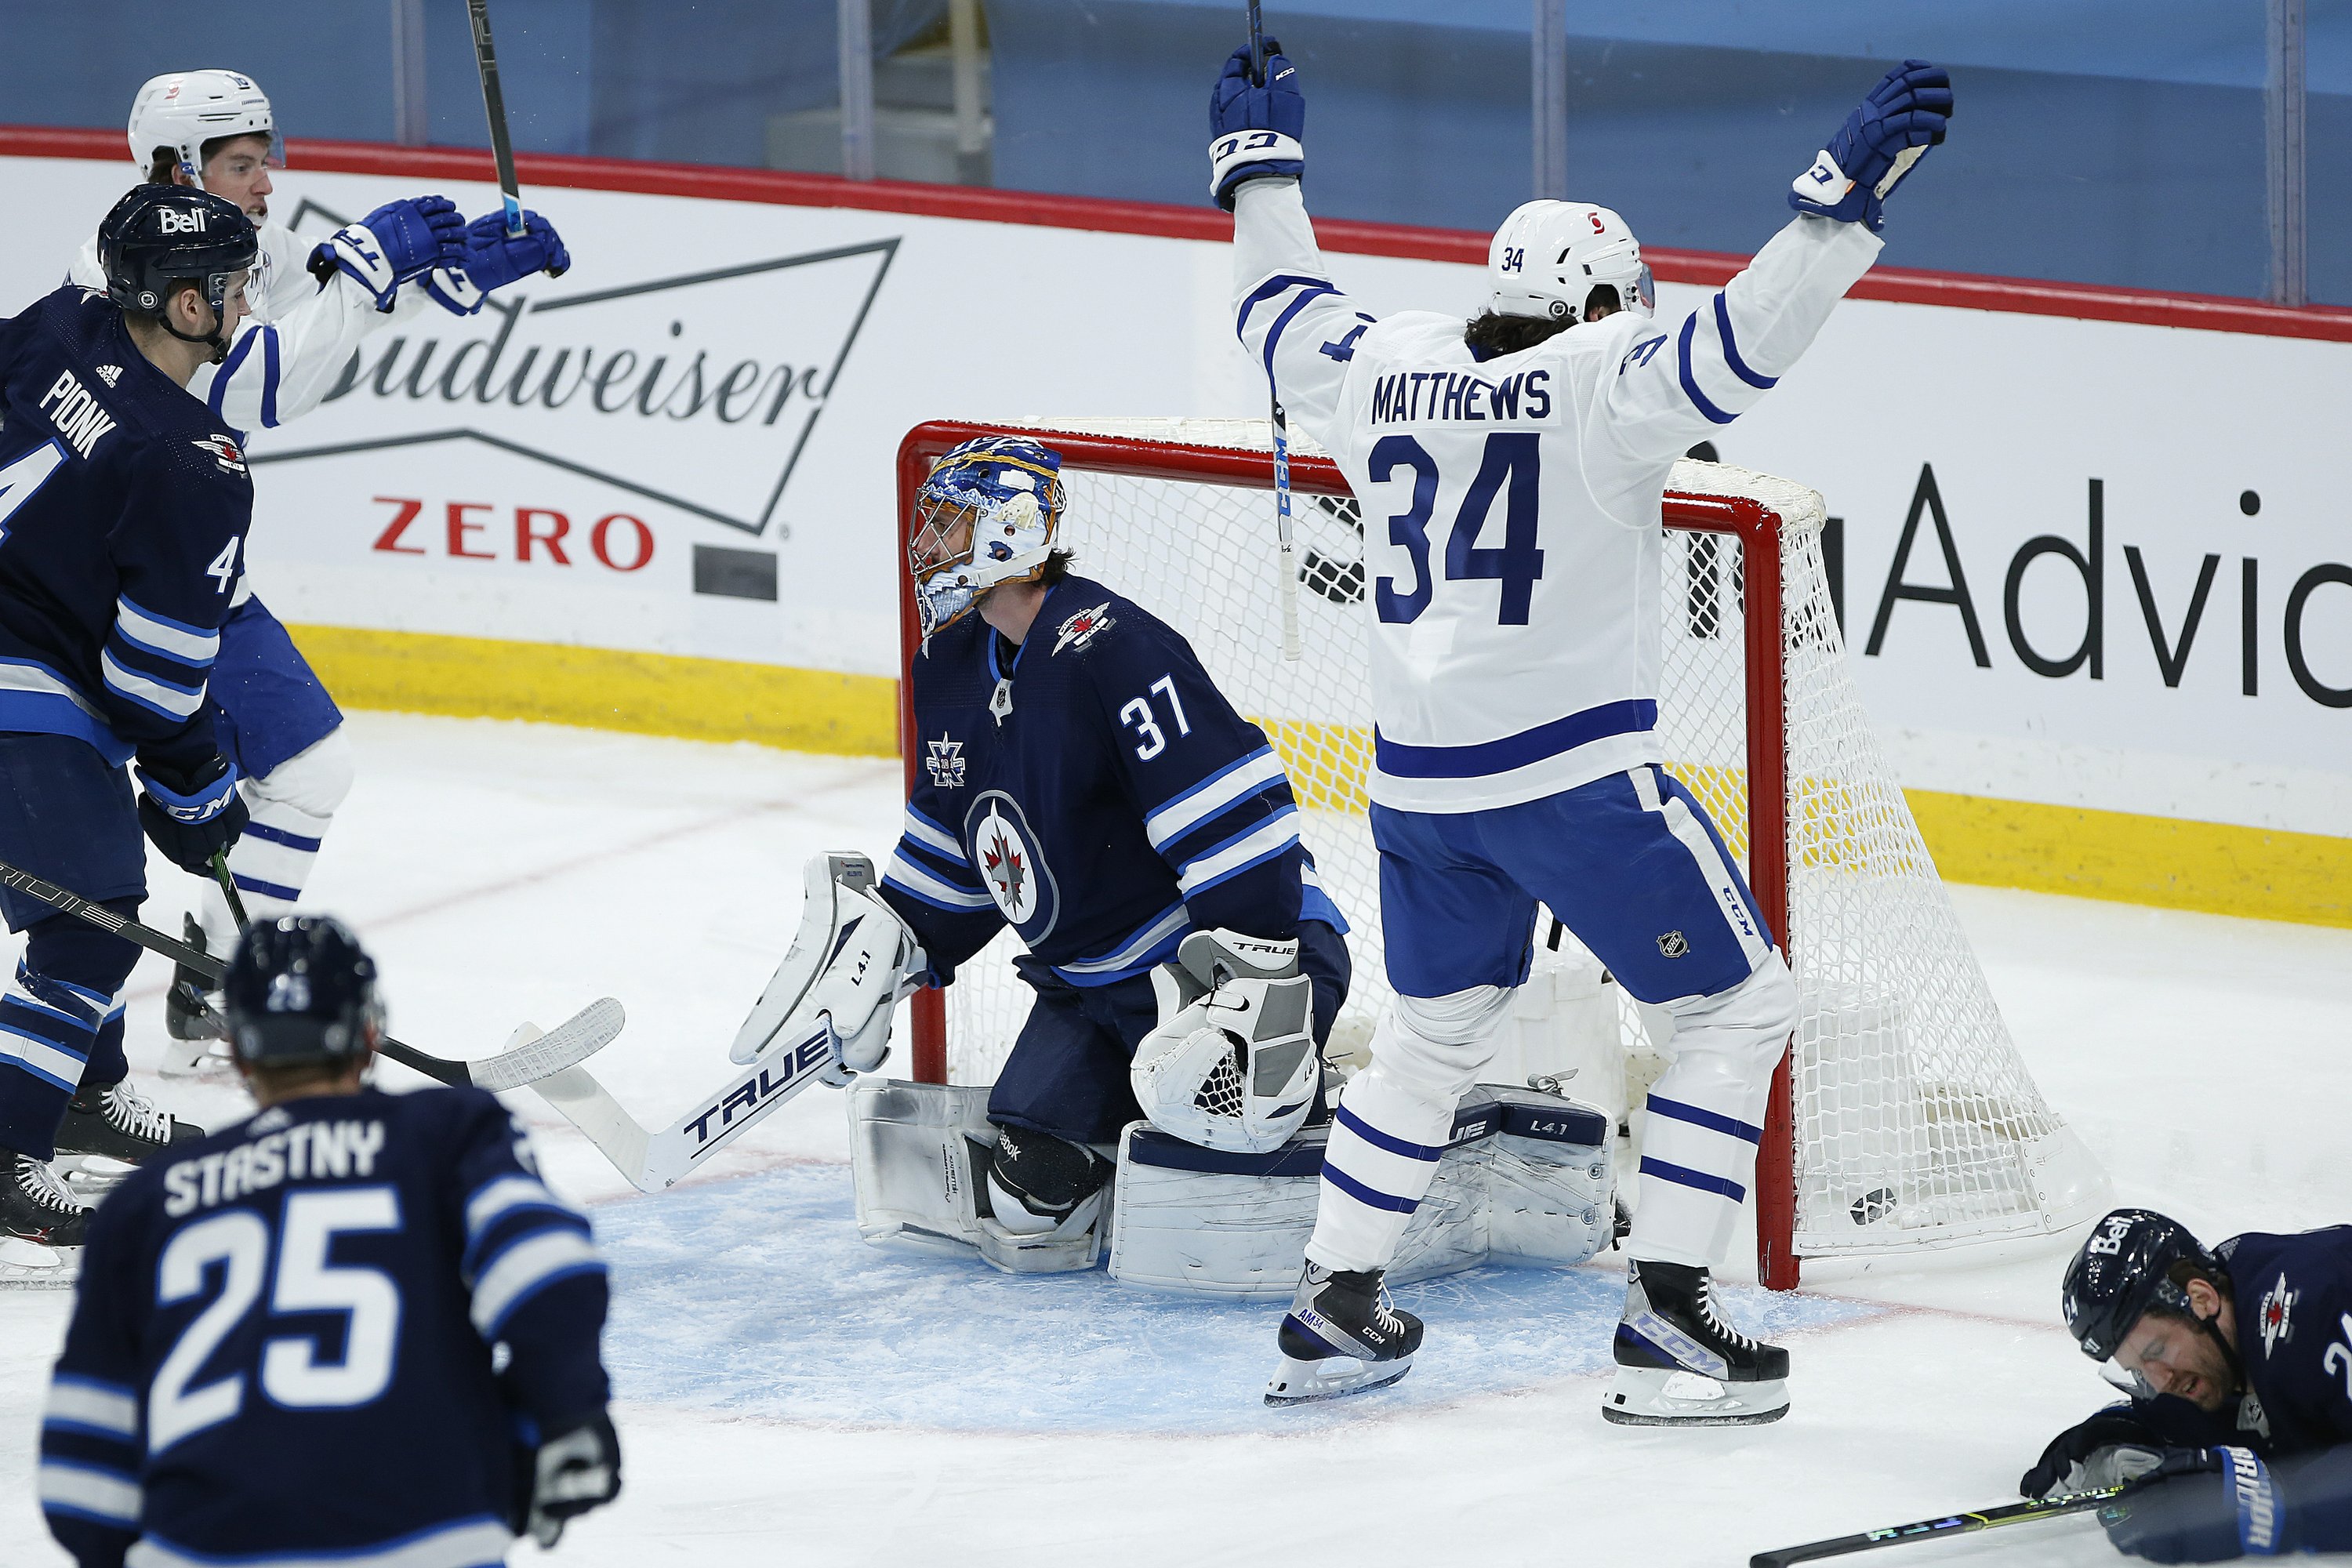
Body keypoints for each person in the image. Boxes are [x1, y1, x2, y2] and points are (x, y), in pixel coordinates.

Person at [1209, 44, 1952, 1415]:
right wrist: (1836, 210)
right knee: (1741, 1004)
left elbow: (1277, 310)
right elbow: (1747, 336)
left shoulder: (1386, 365)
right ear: (1600, 304)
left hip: (1417, 794)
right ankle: (1670, 1312)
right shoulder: (1606, 379)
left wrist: (1260, 172)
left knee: (1432, 1036)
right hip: (1575, 787)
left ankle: (1332, 1300)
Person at [66, 70, 568, 1070]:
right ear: (176, 167)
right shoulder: (121, 261)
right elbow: (252, 385)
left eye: (265, 159)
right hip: (90, 594)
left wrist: (447, 272)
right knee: (89, 860)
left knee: (310, 769)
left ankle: (209, 980)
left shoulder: (242, 245)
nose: (266, 183)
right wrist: (373, 275)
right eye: (242, 165)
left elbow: (320, 313)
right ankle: (73, 1059)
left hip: (187, 575)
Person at [741, 435, 1351, 1249]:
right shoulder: (949, 660)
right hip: (1092, 988)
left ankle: (1325, 1081)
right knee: (1034, 1193)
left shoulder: (1116, 648)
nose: (929, 545)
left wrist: (1258, 986)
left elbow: (1236, 826)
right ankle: (1170, 1095)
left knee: (1228, 1155)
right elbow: (958, 842)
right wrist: (888, 952)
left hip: (1228, 963)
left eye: (952, 524)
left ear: (1011, 533)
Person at [37, 915, 620, 1566]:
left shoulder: (147, 1203)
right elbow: (549, 1270)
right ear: (369, 1033)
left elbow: (81, 1472)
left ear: (237, 1050)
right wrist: (569, 1417)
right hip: (421, 1536)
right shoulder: (445, 1137)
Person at [0, 183, 267, 1274]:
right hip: (19, 671)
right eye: (238, 286)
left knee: (85, 874)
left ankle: (84, 1096)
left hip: (23, 645)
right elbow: (155, 683)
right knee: (98, 915)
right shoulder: (191, 462)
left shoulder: (64, 323)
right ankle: (8, 1149)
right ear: (191, 307)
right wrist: (199, 791)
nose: (248, 301)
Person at [2019, 1208, 2352, 1561]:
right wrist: (2133, 1430)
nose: (2161, 1383)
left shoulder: (2317, 1308)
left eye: (2158, 1351)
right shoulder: (2209, 1354)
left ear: (2203, 1298)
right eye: (2139, 1370)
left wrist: (2275, 1506)